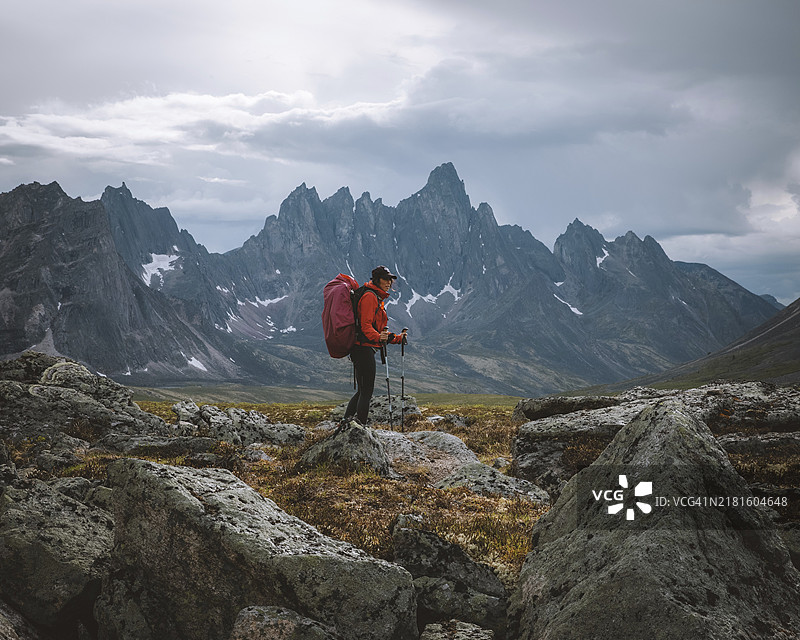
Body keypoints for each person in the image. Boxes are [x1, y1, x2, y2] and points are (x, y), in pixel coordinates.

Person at [342, 265, 408, 426]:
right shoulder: (370, 297)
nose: (389, 283)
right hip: (362, 348)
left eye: (390, 280)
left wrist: (398, 338)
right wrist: (380, 337)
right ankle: (360, 426)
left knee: (362, 390)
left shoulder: (376, 297)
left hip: (364, 348)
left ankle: (346, 422)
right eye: (386, 279)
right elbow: (366, 327)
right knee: (366, 391)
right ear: (377, 279)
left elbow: (378, 331)